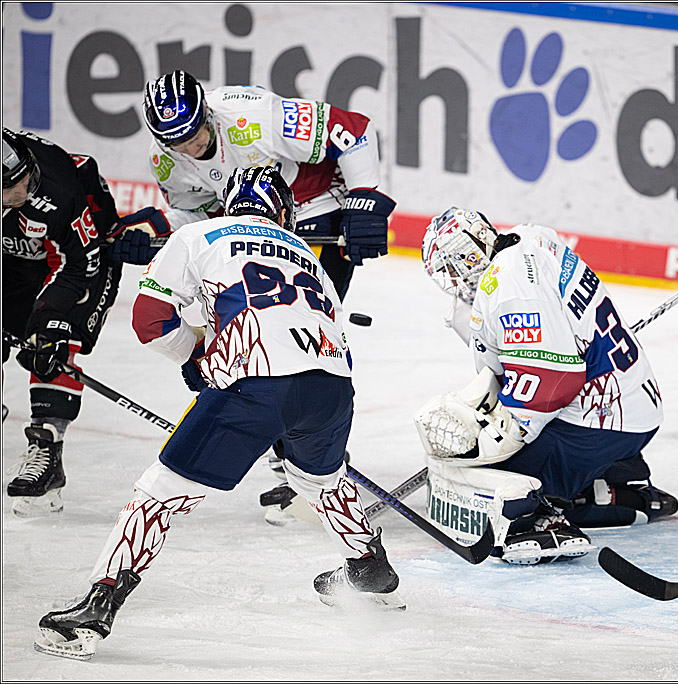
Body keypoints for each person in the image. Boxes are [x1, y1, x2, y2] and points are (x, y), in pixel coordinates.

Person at [33, 167, 404, 662]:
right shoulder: (309, 259)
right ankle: (369, 568)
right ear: (285, 212)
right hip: (332, 389)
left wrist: (195, 358)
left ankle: (97, 608)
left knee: (159, 494)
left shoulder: (197, 234)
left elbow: (149, 320)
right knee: (323, 482)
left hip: (254, 388)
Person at [126, 69, 395, 503]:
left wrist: (365, 199)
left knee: (296, 334)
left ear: (207, 112)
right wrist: (156, 227)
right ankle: (294, 456)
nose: (190, 147)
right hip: (249, 231)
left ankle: (312, 459)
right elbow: (202, 216)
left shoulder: (252, 114)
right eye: (176, 142)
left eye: (194, 133)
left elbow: (354, 131)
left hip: (313, 209)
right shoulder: (166, 160)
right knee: (248, 334)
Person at [414, 207, 678, 565]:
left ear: (471, 253)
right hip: (630, 408)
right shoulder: (530, 239)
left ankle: (543, 519)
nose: (452, 279)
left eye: (451, 266)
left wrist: (504, 433)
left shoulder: (509, 287)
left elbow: (555, 380)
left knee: (488, 479)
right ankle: (618, 483)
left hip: (597, 421)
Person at [2, 128, 125, 516]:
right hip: (17, 258)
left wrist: (46, 318)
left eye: (26, 178)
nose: (25, 189)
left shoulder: (55, 190)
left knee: (55, 339)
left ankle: (47, 451)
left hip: (81, 260)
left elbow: (77, 268)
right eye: (13, 187)